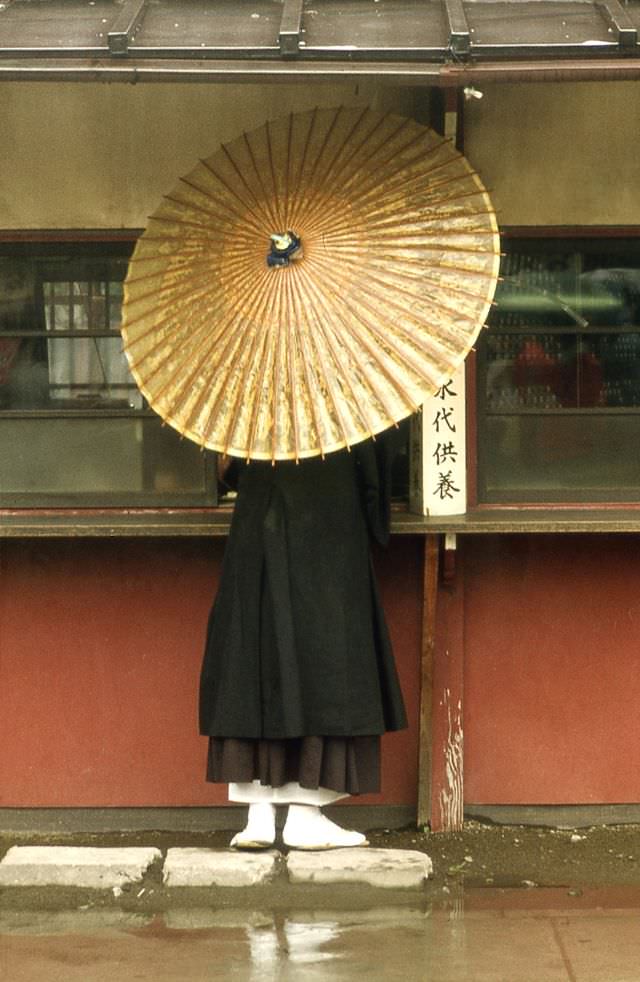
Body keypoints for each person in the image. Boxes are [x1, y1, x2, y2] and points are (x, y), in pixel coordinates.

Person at [199, 428, 407, 850]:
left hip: (259, 522)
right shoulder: (346, 389)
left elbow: (234, 468)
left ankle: (257, 813)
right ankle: (305, 813)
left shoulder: (258, 381)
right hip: (328, 524)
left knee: (255, 650)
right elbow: (373, 480)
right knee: (322, 659)